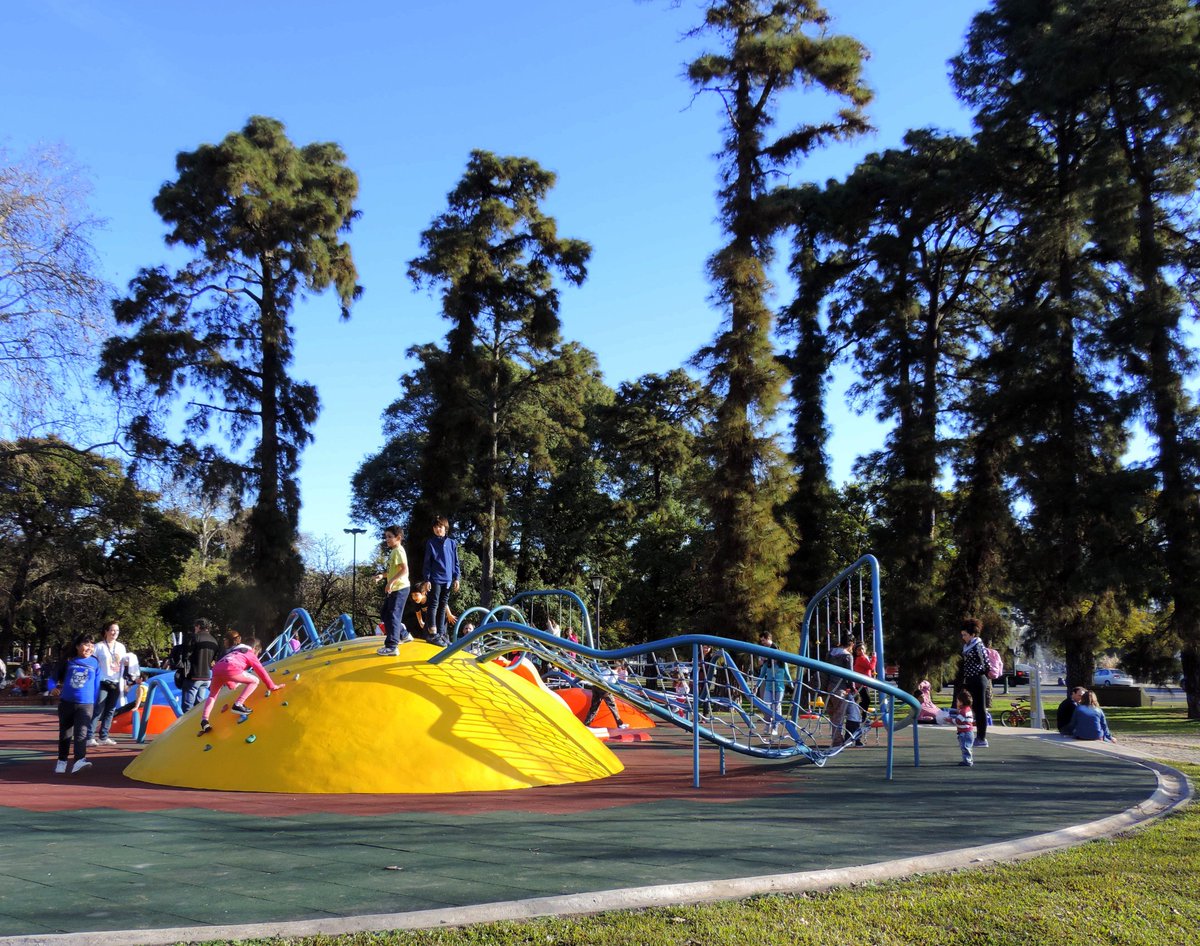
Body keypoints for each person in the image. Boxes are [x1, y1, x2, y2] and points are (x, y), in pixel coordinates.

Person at [197, 636, 285, 735]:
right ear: (255, 649)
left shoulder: (234, 652)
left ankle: (204, 720)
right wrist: (272, 686)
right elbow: (261, 671)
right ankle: (238, 704)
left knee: (212, 696)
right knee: (255, 680)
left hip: (217, 669)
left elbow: (226, 676)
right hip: (231, 668)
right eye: (257, 653)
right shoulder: (250, 653)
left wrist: (232, 685)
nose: (256, 656)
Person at [45, 633, 101, 774]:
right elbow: (52, 678)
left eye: (92, 645)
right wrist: (52, 688)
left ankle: (79, 760)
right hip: (67, 703)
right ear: (77, 646)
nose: (89, 648)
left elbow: (97, 685)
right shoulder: (68, 661)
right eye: (86, 644)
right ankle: (62, 761)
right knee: (65, 734)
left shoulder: (95, 662)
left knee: (81, 733)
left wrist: (94, 703)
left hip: (86, 704)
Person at [373, 525, 413, 656]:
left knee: (393, 615)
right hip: (396, 588)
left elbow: (404, 570)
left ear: (398, 538)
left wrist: (390, 582)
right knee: (385, 613)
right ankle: (404, 634)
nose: (387, 539)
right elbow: (393, 570)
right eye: (386, 537)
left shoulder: (398, 551)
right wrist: (382, 576)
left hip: (400, 588)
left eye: (390, 537)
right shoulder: (394, 551)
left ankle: (392, 646)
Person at [422, 516, 461, 646]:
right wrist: (427, 579)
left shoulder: (452, 543)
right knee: (434, 604)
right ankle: (432, 632)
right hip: (435, 578)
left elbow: (456, 562)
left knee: (443, 605)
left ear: (445, 528)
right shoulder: (431, 543)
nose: (438, 529)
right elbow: (427, 563)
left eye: (440, 526)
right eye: (435, 527)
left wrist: (457, 578)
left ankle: (442, 633)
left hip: (448, 579)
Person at [88, 621, 126, 747]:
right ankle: (89, 736)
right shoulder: (98, 647)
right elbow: (92, 663)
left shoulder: (121, 647)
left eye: (117, 630)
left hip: (116, 681)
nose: (115, 633)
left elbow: (124, 663)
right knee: (98, 708)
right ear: (106, 631)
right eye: (112, 630)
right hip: (102, 681)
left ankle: (104, 736)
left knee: (111, 710)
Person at [955, 618, 990, 748]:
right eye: (962, 635)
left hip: (979, 679)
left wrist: (982, 674)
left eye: (965, 635)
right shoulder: (967, 646)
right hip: (970, 679)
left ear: (972, 634)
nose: (963, 637)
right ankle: (969, 733)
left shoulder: (978, 645)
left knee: (980, 708)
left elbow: (986, 663)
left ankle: (982, 738)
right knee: (973, 707)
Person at [757, 633, 793, 738]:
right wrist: (756, 686)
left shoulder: (782, 664)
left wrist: (792, 685)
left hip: (779, 688)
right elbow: (761, 675)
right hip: (769, 686)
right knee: (766, 706)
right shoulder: (767, 665)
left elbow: (787, 675)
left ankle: (775, 727)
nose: (773, 659)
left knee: (777, 707)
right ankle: (767, 724)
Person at [180, 618, 219, 713]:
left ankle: (186, 726)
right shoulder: (214, 641)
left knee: (187, 708)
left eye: (195, 627)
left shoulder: (195, 638)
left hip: (194, 675)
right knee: (200, 706)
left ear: (198, 626)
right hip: (207, 677)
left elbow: (186, 656)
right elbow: (214, 659)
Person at [822, 638, 853, 747]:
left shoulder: (830, 654)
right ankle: (837, 740)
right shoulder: (847, 656)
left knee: (833, 715)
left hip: (826, 688)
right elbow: (850, 674)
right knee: (839, 715)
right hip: (839, 688)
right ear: (851, 645)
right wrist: (852, 688)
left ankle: (837, 738)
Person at [852, 642, 876, 713]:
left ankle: (861, 714)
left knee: (865, 699)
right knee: (866, 700)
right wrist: (874, 658)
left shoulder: (864, 657)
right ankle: (860, 713)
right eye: (859, 650)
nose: (861, 651)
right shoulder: (861, 658)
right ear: (856, 652)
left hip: (862, 682)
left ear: (865, 650)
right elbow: (871, 667)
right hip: (861, 683)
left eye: (862, 649)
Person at [954, 689, 976, 766]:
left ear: (961, 702)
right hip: (964, 732)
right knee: (965, 747)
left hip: (965, 733)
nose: (956, 703)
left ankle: (968, 761)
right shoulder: (966, 709)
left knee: (966, 747)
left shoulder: (964, 711)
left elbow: (958, 720)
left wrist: (950, 719)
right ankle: (967, 760)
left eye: (957, 701)